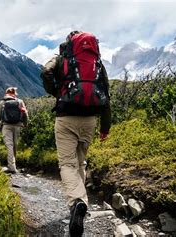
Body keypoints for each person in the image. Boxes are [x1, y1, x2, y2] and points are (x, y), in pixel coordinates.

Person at [40, 31, 111, 236]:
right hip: (90, 119)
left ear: (69, 42)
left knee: (67, 164)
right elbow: (106, 94)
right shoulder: (96, 62)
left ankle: (77, 202)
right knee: (80, 162)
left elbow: (45, 71)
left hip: (66, 117)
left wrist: (57, 91)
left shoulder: (62, 58)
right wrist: (105, 127)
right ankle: (80, 201)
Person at [0, 87, 29, 173]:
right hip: (18, 126)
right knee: (14, 145)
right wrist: (25, 124)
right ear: (15, 93)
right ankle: (13, 165)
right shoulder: (20, 101)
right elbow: (25, 114)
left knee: (9, 145)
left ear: (6, 93)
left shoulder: (3, 102)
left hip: (6, 126)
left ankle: (11, 167)